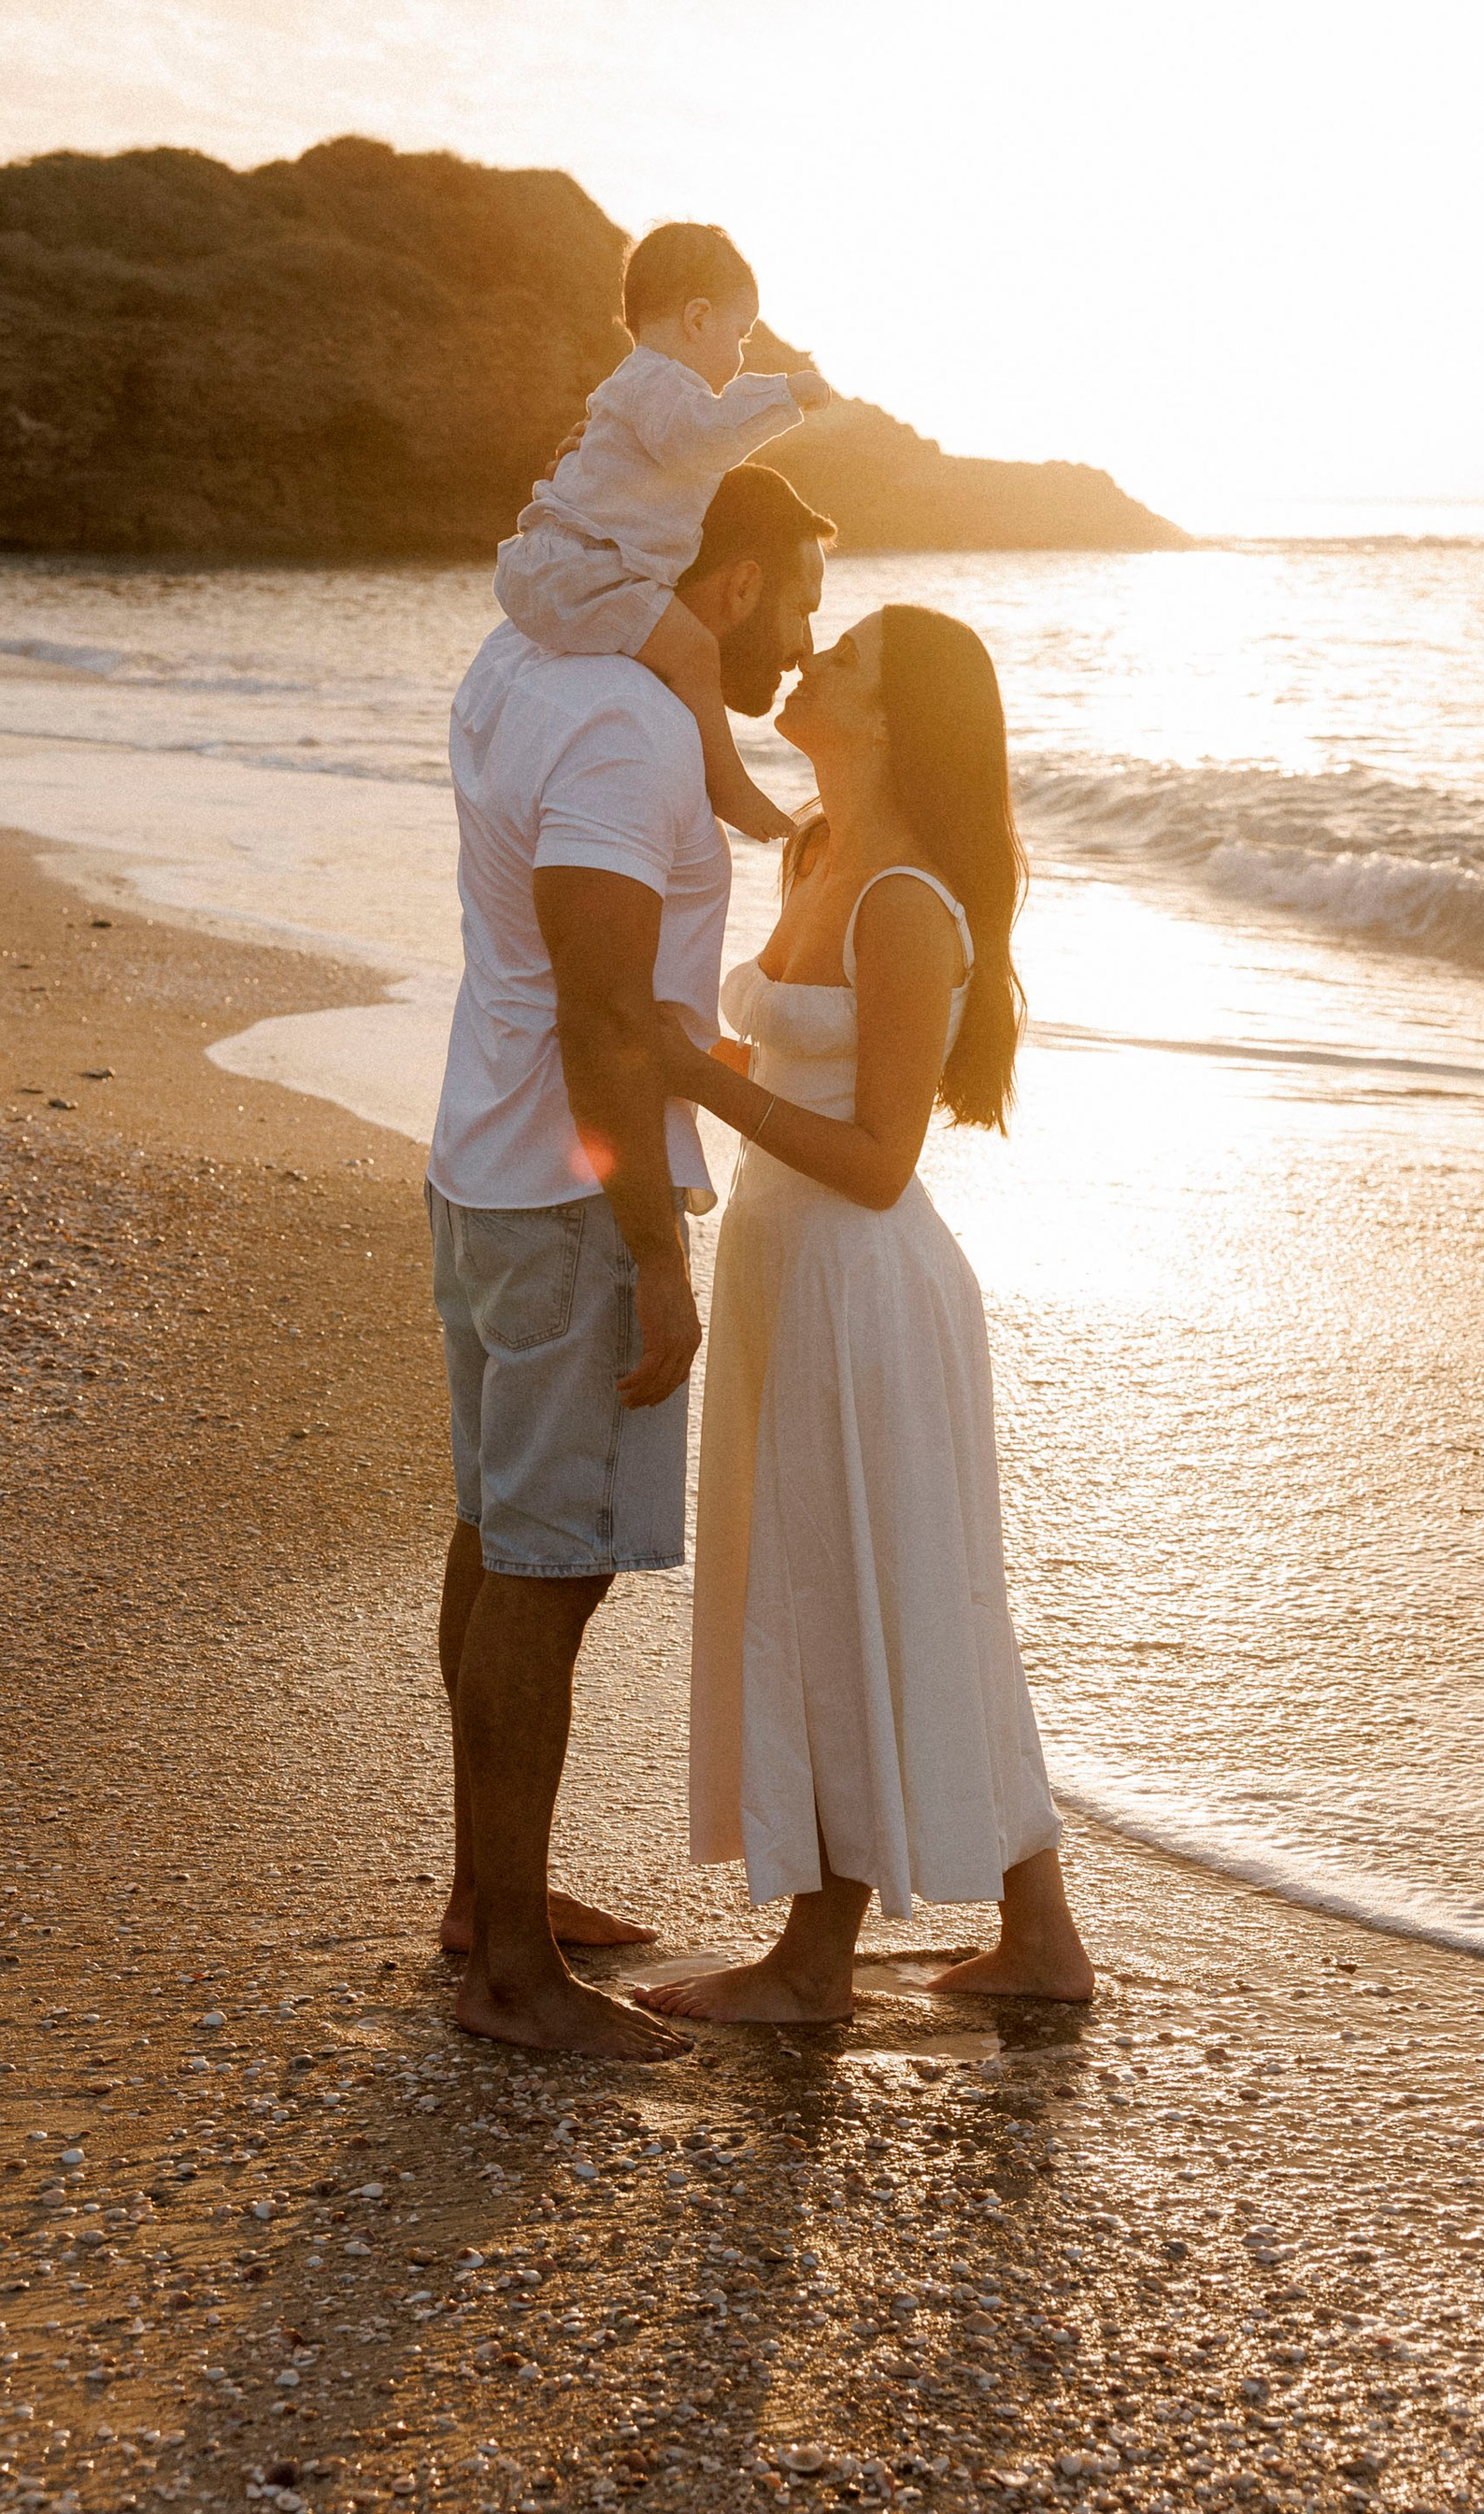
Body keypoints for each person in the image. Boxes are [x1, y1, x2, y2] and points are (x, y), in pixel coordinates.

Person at [635, 603, 1094, 2024]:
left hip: (867, 1283)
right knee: (890, 1579)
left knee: (851, 1581)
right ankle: (1042, 1939)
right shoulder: (817, 849)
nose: (814, 663)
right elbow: (775, 1031)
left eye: (845, 663)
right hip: (787, 1266)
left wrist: (697, 1079)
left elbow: (884, 1156)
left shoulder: (905, 899)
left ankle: (816, 1965)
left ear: (892, 720)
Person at [429, 459, 834, 2056]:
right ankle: (515, 1975)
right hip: (563, 1190)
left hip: (485, 1158)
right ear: (727, 585)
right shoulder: (625, 727)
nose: (806, 640)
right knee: (552, 1560)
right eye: (799, 595)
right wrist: (654, 1247)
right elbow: (608, 1015)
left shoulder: (526, 660)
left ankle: (487, 1900)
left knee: (497, 1531)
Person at [493, 220, 833, 845]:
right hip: (582, 569)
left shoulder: (639, 391)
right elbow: (706, 437)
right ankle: (730, 786)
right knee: (696, 653)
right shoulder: (663, 383)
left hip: (558, 563)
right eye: (741, 333)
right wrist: (789, 394)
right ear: (698, 319)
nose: (739, 355)